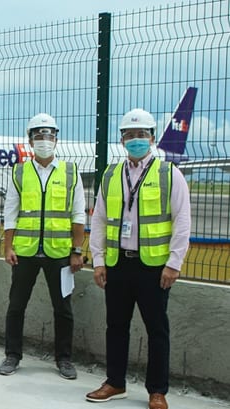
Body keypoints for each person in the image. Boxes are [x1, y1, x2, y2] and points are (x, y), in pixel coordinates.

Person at [85, 109, 190, 409]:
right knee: (116, 326)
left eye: (141, 135)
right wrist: (99, 260)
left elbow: (182, 221)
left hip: (153, 267)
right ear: (121, 140)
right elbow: (100, 220)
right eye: (130, 135)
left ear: (152, 137)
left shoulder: (169, 174)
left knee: (157, 329)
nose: (135, 140)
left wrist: (174, 263)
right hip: (119, 264)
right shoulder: (111, 175)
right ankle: (115, 382)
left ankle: (157, 391)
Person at [0, 113, 85, 379]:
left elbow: (78, 214)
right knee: (16, 306)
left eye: (48, 135)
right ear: (30, 140)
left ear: (56, 139)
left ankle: (64, 359)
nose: (44, 141)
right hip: (25, 252)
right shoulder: (19, 172)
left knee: (63, 308)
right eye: (38, 136)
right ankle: (12, 355)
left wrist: (77, 250)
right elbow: (11, 212)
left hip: (59, 254)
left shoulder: (70, 172)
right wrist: (8, 247)